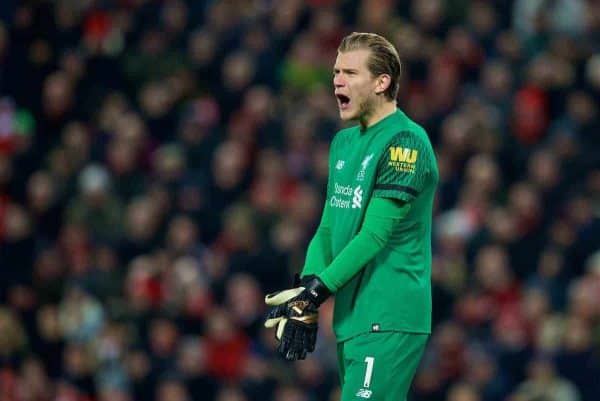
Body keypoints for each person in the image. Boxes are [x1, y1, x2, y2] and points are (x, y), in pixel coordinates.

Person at [265, 32, 439, 401]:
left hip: (390, 312)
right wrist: (307, 287)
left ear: (381, 82)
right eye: (335, 72)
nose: (336, 81)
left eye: (349, 73)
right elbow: (329, 226)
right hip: (352, 320)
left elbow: (375, 234)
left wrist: (317, 292)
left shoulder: (405, 142)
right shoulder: (343, 143)